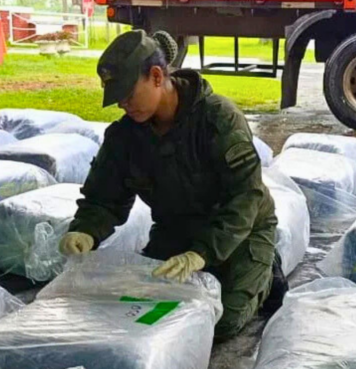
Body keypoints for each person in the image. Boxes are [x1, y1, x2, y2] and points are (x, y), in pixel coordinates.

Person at [59, 29, 283, 340]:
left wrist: (201, 253)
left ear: (156, 76)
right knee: (142, 306)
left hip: (239, 230)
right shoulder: (125, 136)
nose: (124, 105)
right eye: (117, 98)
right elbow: (103, 197)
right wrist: (84, 229)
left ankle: (266, 270)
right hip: (176, 229)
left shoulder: (217, 119)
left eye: (128, 94)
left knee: (218, 321)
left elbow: (245, 197)